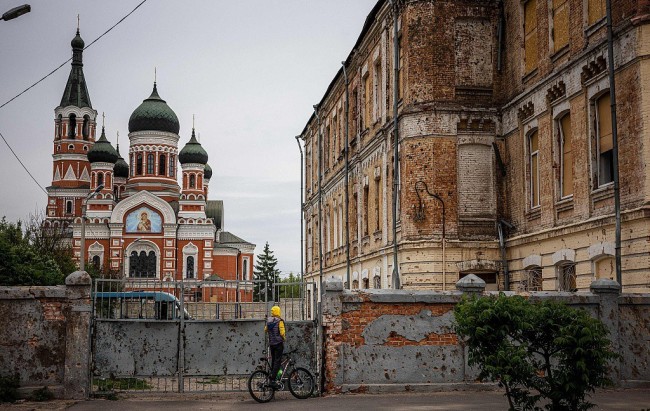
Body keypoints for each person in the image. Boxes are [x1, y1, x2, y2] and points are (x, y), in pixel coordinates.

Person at [265, 305, 285, 388]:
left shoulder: (269, 321)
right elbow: (282, 332)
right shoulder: (279, 321)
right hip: (278, 344)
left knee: (273, 361)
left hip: (272, 344)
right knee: (277, 362)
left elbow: (265, 329)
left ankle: (272, 376)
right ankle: (273, 379)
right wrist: (284, 338)